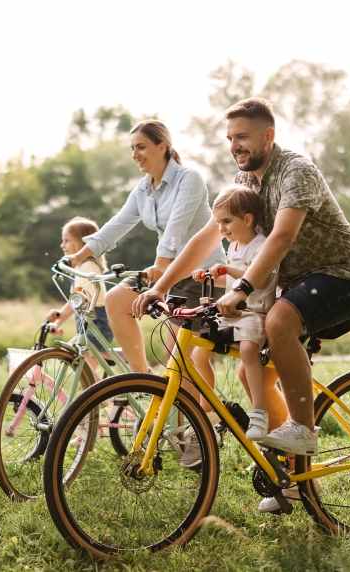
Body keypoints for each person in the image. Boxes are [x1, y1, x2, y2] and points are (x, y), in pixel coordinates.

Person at [134, 97, 350, 509]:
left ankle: (304, 427)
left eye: (242, 137)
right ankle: (291, 479)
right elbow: (208, 237)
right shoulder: (244, 184)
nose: (235, 146)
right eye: (230, 138)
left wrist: (242, 288)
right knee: (255, 376)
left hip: (342, 274)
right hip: (293, 282)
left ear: (268, 135)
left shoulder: (296, 171)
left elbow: (282, 237)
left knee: (280, 322)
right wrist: (162, 285)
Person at [66, 119, 226, 467]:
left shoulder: (189, 179)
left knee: (187, 361)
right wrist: (81, 254)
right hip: (165, 271)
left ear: (162, 146)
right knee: (117, 299)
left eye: (141, 147)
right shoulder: (143, 189)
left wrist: (160, 266)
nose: (135, 154)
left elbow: (177, 229)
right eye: (132, 148)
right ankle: (144, 381)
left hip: (201, 275)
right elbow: (118, 224)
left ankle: (205, 429)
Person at [192, 184, 280, 441]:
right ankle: (206, 405)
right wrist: (210, 274)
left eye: (226, 222)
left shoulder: (261, 245)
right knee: (199, 349)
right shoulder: (235, 247)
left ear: (248, 219)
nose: (221, 230)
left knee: (248, 351)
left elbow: (260, 280)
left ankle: (259, 413)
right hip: (233, 313)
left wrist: (227, 270)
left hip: (256, 313)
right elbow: (231, 284)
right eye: (218, 223)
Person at [45, 217, 114, 373]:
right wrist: (58, 318)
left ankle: (103, 397)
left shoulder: (88, 268)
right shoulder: (82, 267)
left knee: (85, 371)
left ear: (83, 243)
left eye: (67, 240)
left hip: (96, 325)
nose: (62, 245)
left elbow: (77, 301)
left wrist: (59, 320)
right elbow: (75, 301)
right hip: (89, 326)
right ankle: (102, 395)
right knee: (80, 367)